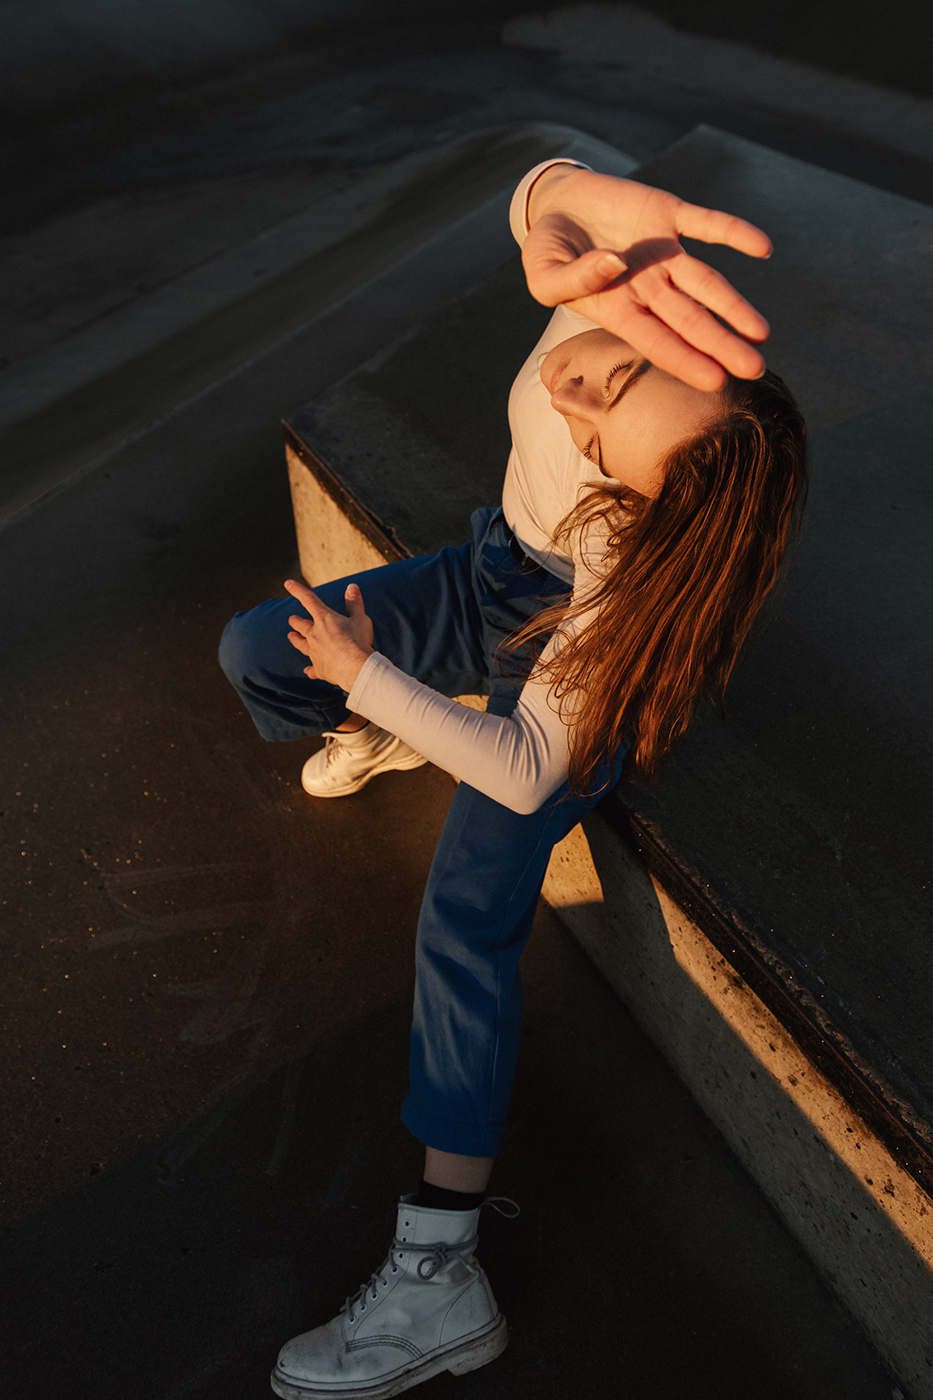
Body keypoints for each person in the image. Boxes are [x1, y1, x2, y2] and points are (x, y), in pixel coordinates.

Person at [219, 158, 807, 1400]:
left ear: (634, 511)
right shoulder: (634, 307)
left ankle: (442, 1276)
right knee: (251, 652)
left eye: (597, 437)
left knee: (467, 913)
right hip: (491, 571)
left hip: (568, 658)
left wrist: (373, 680)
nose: (577, 381)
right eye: (621, 375)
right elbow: (551, 220)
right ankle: (411, 719)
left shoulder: (629, 571)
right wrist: (551, 194)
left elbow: (534, 762)